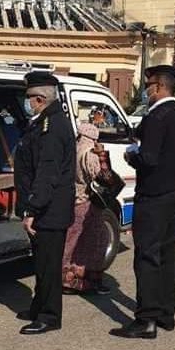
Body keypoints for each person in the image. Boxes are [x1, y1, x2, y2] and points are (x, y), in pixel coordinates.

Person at [110, 65, 175, 340]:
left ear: (158, 87)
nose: (145, 92)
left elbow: (148, 158)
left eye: (148, 87)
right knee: (168, 255)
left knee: (147, 256)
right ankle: (165, 315)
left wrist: (130, 156)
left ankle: (146, 319)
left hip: (154, 197)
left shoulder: (156, 118)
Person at [13, 71, 76, 335]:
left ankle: (50, 316)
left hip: (49, 210)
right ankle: (38, 306)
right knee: (41, 263)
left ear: (40, 99)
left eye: (29, 98)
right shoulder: (43, 122)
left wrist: (32, 209)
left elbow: (47, 173)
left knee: (49, 265)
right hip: (45, 208)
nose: (27, 102)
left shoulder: (52, 126)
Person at [61, 121, 112, 295]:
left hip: (74, 201)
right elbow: (103, 178)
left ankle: (66, 279)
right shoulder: (89, 155)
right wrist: (103, 156)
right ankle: (87, 281)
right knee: (95, 242)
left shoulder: (73, 150)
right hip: (89, 203)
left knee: (72, 242)